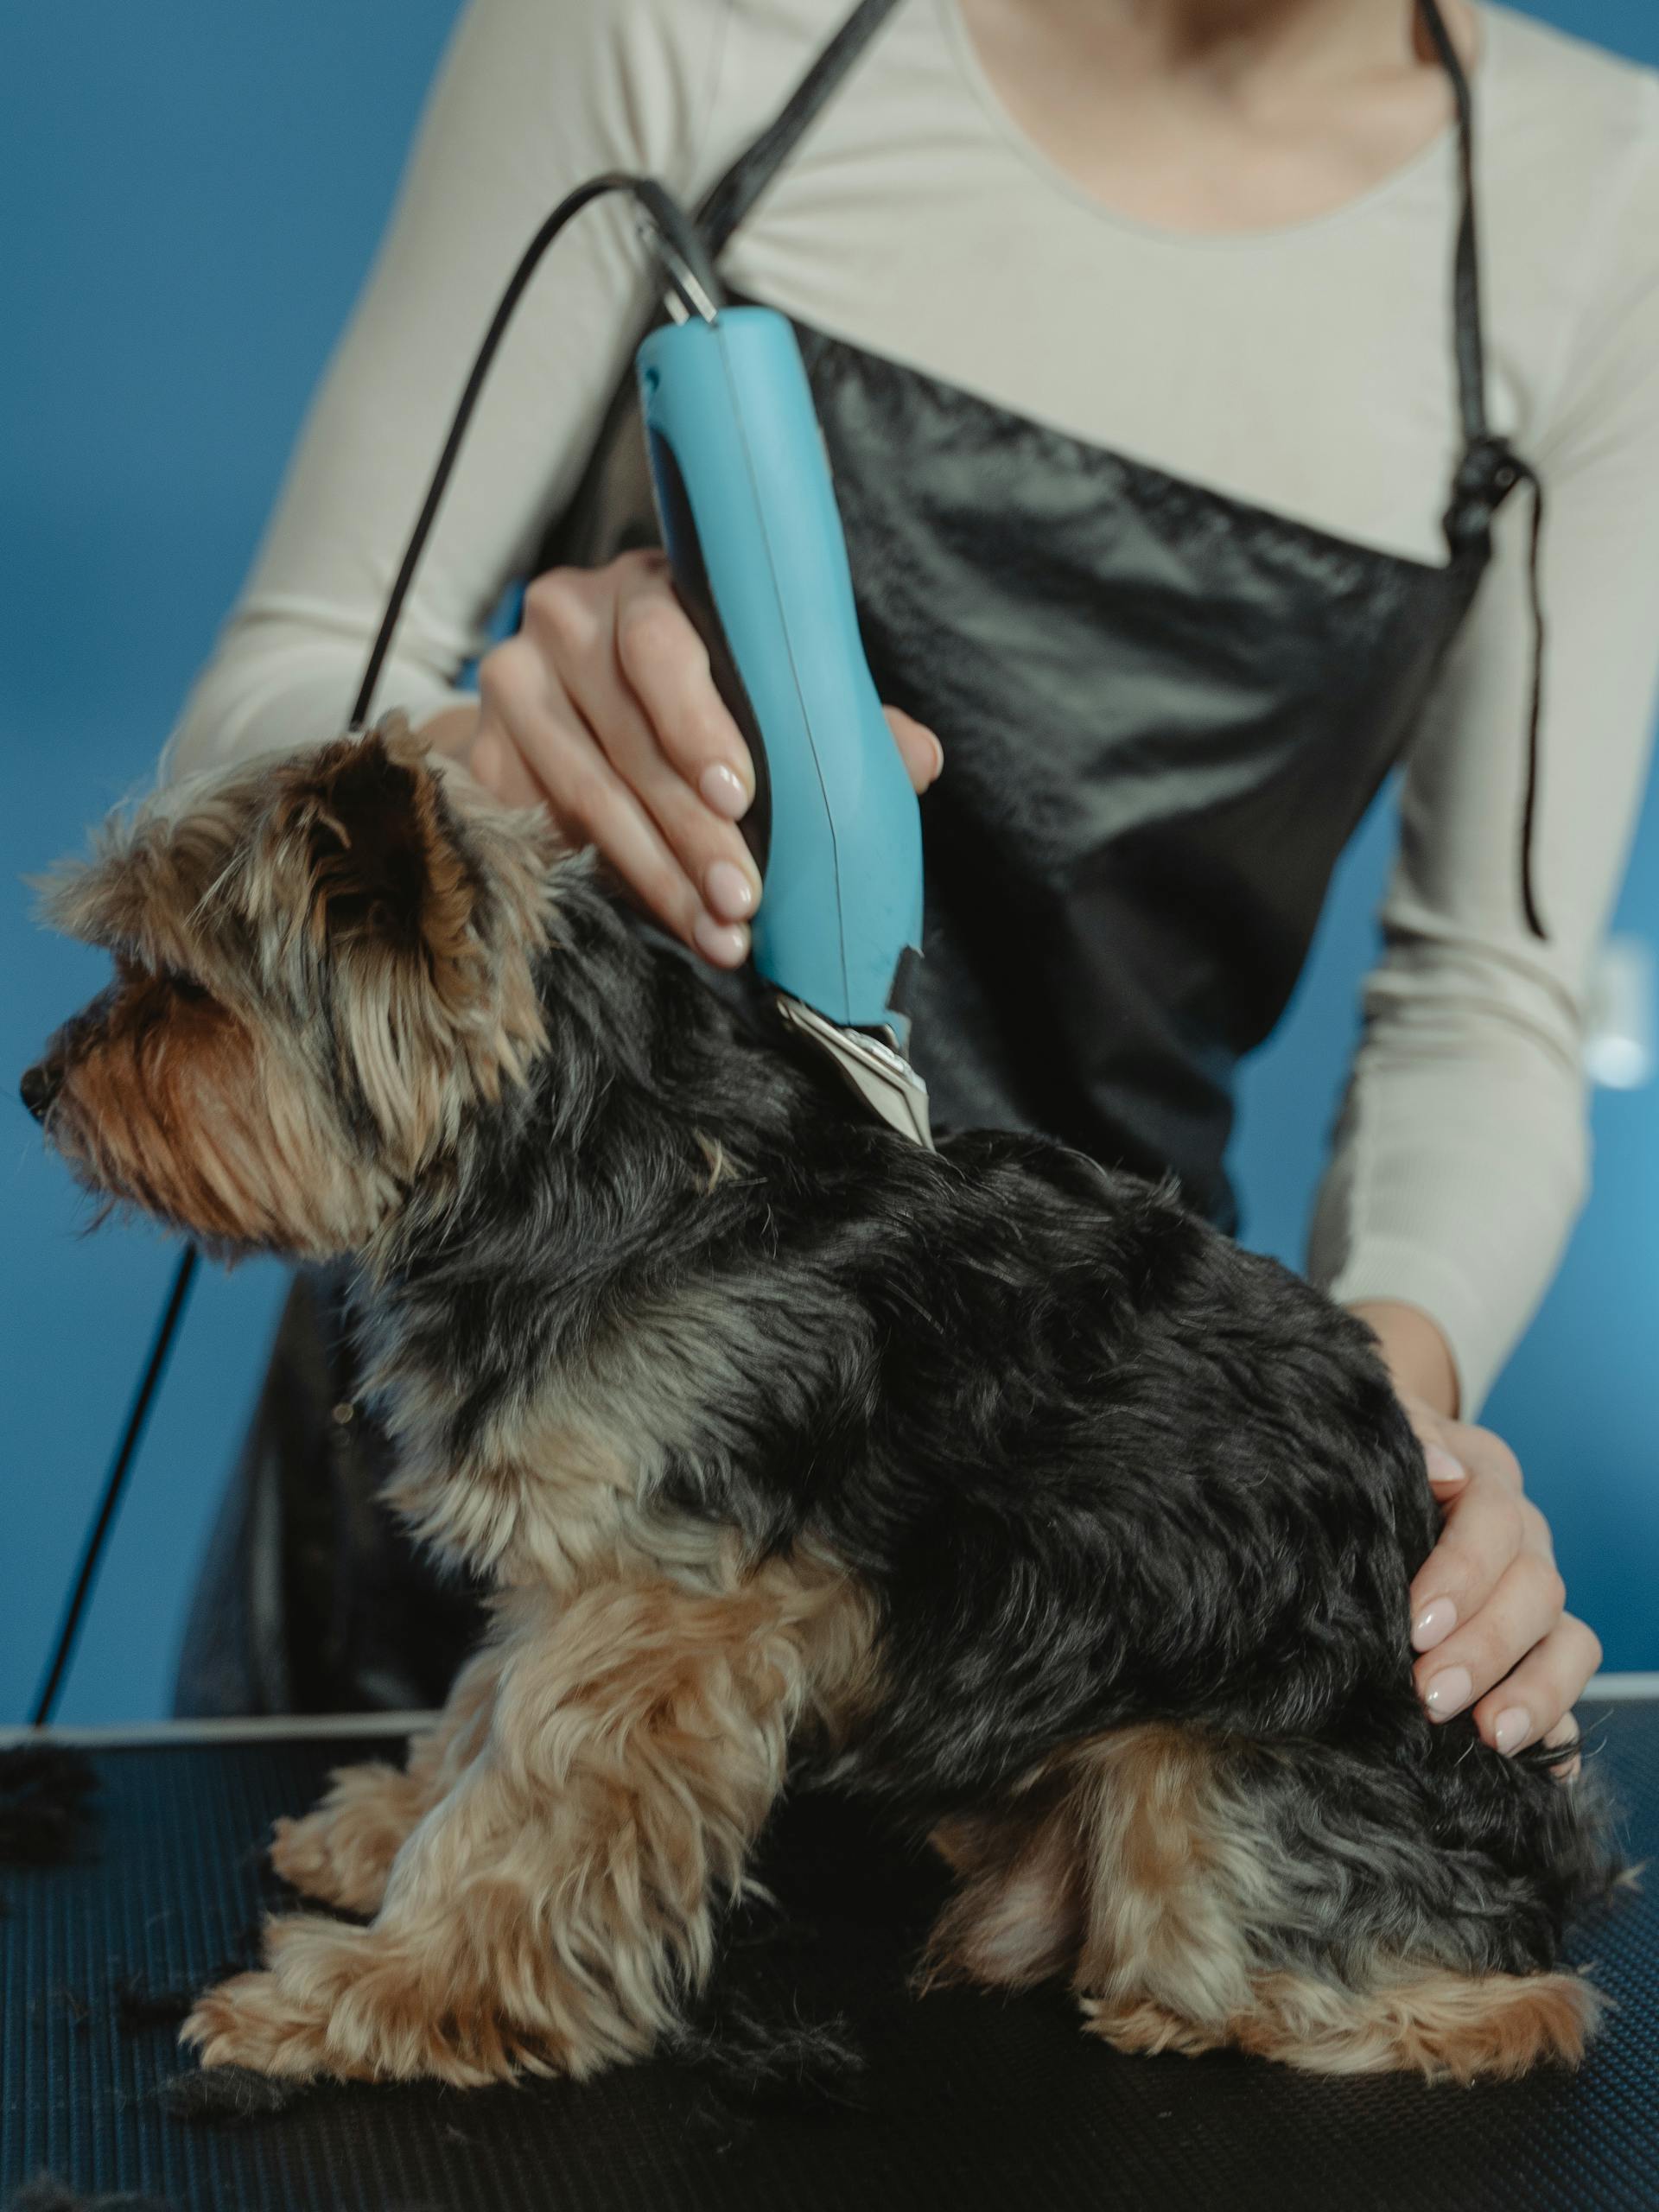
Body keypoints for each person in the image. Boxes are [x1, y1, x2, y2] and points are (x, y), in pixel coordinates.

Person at [168, 0, 1659, 1770]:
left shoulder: (1600, 208)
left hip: (1041, 1515)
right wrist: (470, 776)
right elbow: (294, 673)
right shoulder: (688, 26)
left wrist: (1373, 1408)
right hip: (512, 1475)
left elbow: (1485, 994)